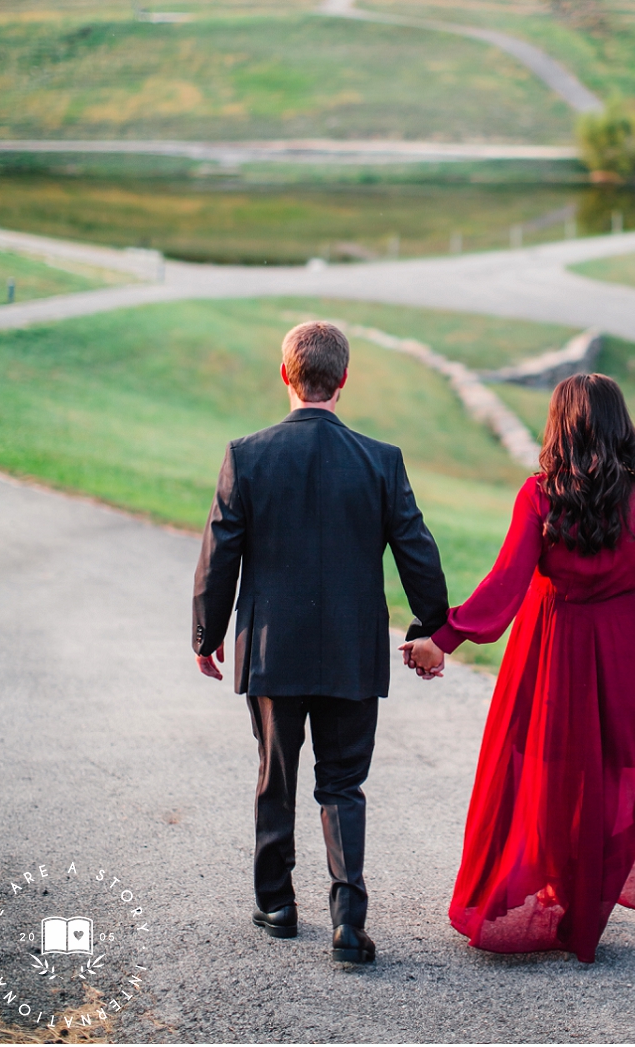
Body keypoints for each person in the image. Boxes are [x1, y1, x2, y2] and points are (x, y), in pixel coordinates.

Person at [401, 372, 635, 965]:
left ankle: (549, 894)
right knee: (612, 776)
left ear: (560, 424)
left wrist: (445, 639)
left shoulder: (541, 494)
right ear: (622, 425)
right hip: (625, 651)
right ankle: (583, 905)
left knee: (542, 772)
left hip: (552, 649)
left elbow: (506, 585)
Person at [193, 320, 448, 964]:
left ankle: (275, 903)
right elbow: (417, 551)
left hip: (273, 650)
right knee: (343, 784)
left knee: (275, 774)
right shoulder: (380, 460)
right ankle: (347, 921)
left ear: (286, 375)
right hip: (352, 652)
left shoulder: (247, 455)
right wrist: (431, 627)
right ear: (343, 380)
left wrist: (208, 633)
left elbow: (220, 553)